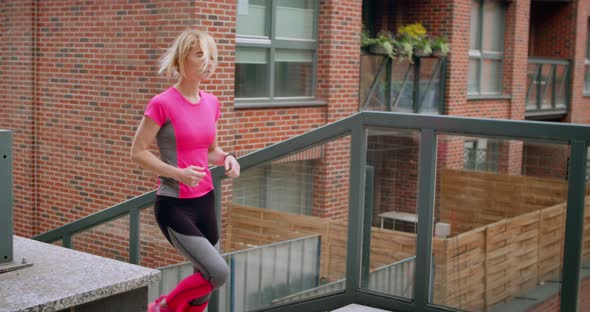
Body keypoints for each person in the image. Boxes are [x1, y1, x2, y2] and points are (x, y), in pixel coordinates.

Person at [131, 29, 240, 312]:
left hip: (205, 202)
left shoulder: (212, 102)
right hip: (174, 205)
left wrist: (228, 157)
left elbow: (211, 150)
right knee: (218, 273)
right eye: (200, 55)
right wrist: (178, 174)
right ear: (183, 59)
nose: (208, 62)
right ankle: (162, 307)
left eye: (212, 56)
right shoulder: (162, 103)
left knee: (204, 282)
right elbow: (138, 151)